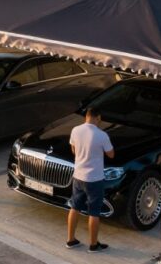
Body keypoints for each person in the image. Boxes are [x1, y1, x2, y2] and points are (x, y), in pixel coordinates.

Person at [67, 106, 114, 253]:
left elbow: (73, 150)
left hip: (78, 176)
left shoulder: (75, 130)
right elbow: (111, 155)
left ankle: (71, 240)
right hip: (94, 179)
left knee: (74, 207)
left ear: (86, 116)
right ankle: (93, 245)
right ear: (98, 117)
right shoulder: (102, 135)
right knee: (94, 212)